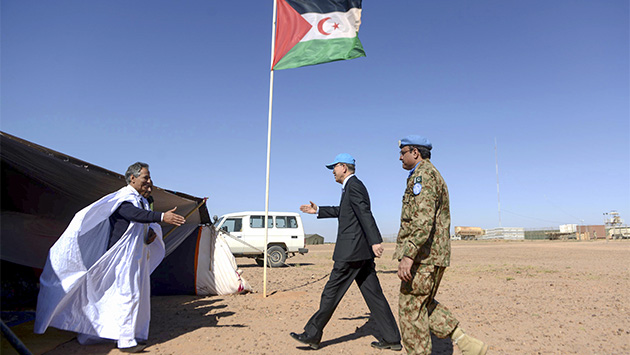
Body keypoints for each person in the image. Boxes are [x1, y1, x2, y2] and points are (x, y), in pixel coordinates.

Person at [34, 162, 186, 353]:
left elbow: (138, 224)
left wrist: (148, 236)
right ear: (132, 178)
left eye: (149, 177)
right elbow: (131, 214)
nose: (149, 181)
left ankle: (110, 333)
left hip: (135, 258)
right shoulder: (124, 198)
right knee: (126, 295)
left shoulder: (142, 201)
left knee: (129, 296)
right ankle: (125, 341)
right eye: (145, 177)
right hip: (120, 259)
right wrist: (161, 217)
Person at [290, 153, 402, 351]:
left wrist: (376, 241)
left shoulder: (354, 186)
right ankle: (392, 338)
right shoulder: (350, 187)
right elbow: (345, 211)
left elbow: (364, 213)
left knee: (330, 293)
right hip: (360, 253)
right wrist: (318, 210)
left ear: (343, 167)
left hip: (351, 253)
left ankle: (312, 335)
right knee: (374, 296)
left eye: (334, 167)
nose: (332, 172)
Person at [394, 136, 488, 355]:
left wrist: (408, 255)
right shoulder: (429, 174)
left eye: (403, 152)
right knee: (422, 304)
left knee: (411, 311)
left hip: (423, 257)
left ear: (415, 152)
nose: (400, 157)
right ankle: (464, 342)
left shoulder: (423, 176)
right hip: (431, 255)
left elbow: (422, 220)